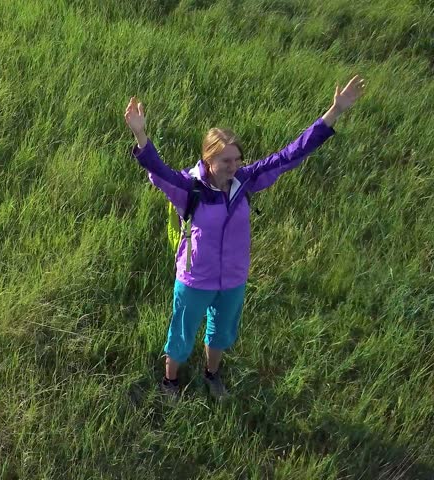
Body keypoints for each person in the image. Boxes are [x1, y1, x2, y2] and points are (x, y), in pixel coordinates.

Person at [124, 75, 366, 400]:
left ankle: (212, 375)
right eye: (226, 160)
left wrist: (333, 112)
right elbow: (158, 170)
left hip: (234, 279)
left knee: (220, 333)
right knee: (181, 336)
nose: (234, 166)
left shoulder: (244, 182)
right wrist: (140, 134)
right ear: (208, 161)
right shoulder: (188, 188)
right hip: (195, 279)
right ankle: (170, 382)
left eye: (237, 159)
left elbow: (289, 155)